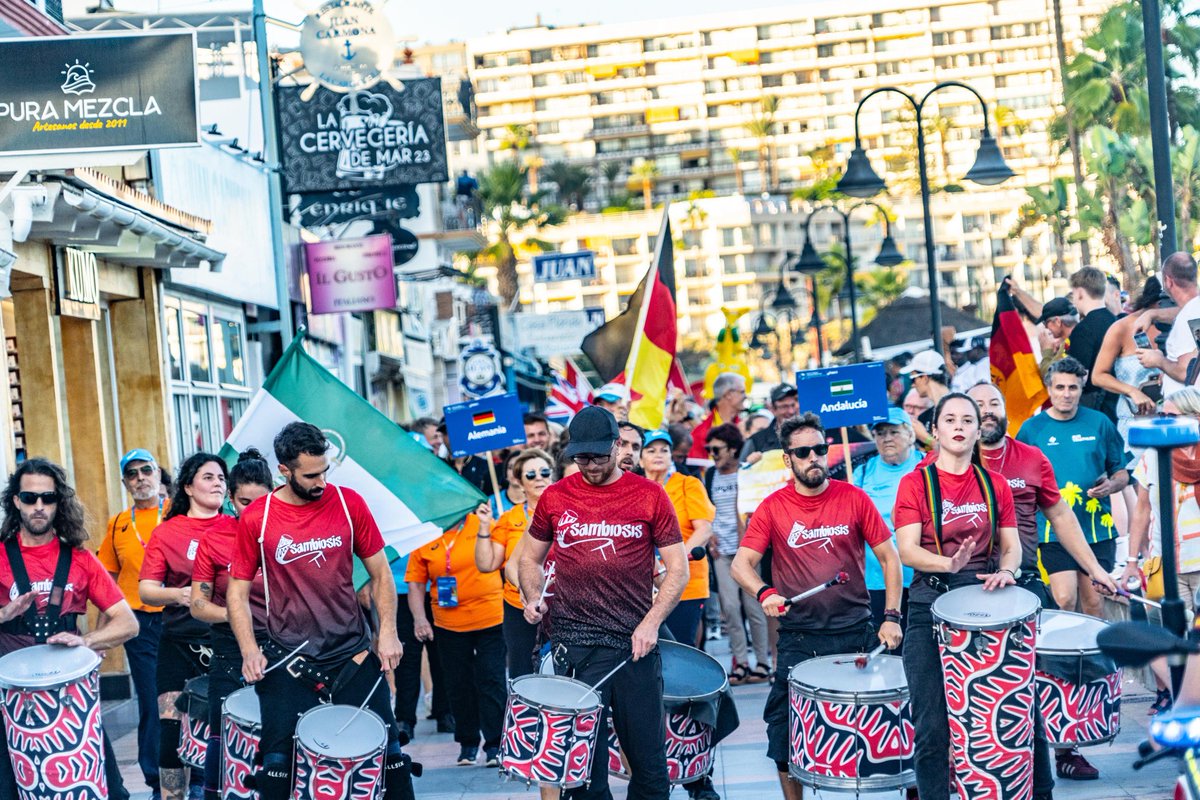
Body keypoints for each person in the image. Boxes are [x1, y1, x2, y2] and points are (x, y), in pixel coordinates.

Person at [227, 422, 410, 800]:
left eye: (325, 470)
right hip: (288, 658)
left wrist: (387, 631)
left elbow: (380, 575)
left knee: (390, 757)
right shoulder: (256, 519)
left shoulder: (348, 503)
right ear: (284, 471)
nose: (321, 481)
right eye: (310, 475)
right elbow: (237, 592)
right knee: (277, 766)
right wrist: (249, 650)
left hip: (353, 653)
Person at [731, 413, 904, 800]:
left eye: (820, 449)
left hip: (856, 631)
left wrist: (891, 617)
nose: (815, 458)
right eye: (804, 451)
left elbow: (891, 559)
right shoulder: (773, 507)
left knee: (885, 723)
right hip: (799, 638)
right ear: (787, 459)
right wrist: (764, 593)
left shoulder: (854, 497)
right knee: (784, 729)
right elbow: (740, 565)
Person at [519, 406, 688, 800]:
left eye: (597, 456)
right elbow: (529, 558)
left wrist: (651, 623)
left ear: (617, 446)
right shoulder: (556, 497)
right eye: (581, 458)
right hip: (573, 647)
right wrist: (533, 596)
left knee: (649, 770)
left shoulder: (650, 495)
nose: (590, 465)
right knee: (583, 776)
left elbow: (678, 571)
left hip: (634, 648)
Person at [968, 381, 1119, 780]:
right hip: (966, 588)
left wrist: (1096, 569)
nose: (987, 411)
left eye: (993, 403)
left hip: (1026, 581)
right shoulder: (950, 462)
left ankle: (1063, 751)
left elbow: (1062, 518)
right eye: (977, 404)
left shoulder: (1031, 458)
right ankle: (967, 761)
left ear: (1005, 411)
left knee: (1045, 672)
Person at [892, 393, 1032, 800]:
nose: (958, 426)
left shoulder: (996, 484)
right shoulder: (914, 483)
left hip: (985, 607)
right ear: (934, 430)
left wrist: (1007, 570)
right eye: (949, 419)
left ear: (977, 429)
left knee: (1008, 713)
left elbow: (1012, 546)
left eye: (967, 420)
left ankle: (1036, 792)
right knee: (932, 725)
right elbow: (907, 550)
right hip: (928, 608)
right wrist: (946, 563)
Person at [0, 458, 138, 800]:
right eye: (30, 498)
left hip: (71, 699)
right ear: (15, 500)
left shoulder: (80, 559)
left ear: (58, 502)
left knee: (101, 786)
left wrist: (88, 640)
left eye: (47, 498)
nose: (39, 506)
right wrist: (3, 615)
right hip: (10, 697)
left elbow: (128, 623)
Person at [139, 453, 235, 800]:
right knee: (170, 733)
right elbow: (145, 590)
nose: (218, 484)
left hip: (227, 643)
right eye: (208, 477)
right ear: (188, 487)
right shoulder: (167, 532)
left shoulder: (237, 527)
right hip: (178, 643)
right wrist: (179, 594)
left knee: (225, 734)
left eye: (222, 478)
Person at [1016, 357, 1129, 617]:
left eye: (1072, 388)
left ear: (1082, 387)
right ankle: (1063, 654)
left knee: (1093, 602)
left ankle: (1092, 656)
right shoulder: (1031, 429)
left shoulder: (1100, 423)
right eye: (1060, 387)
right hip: (1051, 530)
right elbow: (1019, 478)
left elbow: (1121, 473)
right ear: (1049, 388)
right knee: (1065, 598)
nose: (1066, 394)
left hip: (1096, 528)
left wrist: (1111, 485)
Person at [189, 449, 271, 800]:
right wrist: (235, 617)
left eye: (260, 501)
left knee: (282, 732)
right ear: (229, 500)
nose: (251, 510)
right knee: (224, 735)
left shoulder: (290, 531)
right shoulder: (216, 536)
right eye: (243, 501)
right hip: (228, 647)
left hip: (286, 642)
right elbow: (197, 605)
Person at [407, 502, 505, 767]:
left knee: (492, 680)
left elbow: (504, 561)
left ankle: (496, 744)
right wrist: (419, 619)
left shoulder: (482, 523)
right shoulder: (424, 537)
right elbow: (416, 585)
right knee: (458, 685)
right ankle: (468, 744)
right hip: (449, 624)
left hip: (491, 618)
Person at [1124, 388, 1200, 716]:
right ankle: (1184, 702)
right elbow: (1141, 509)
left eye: (1173, 417)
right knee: (1165, 640)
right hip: (1164, 566)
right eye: (1162, 417)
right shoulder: (1154, 456)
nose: (1165, 423)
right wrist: (1130, 561)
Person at [98, 447, 166, 798]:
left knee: (184, 696)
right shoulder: (118, 524)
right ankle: (155, 779)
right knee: (152, 700)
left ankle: (191, 768)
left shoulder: (177, 514)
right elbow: (106, 582)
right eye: (132, 474)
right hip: (139, 623)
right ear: (125, 481)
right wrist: (99, 636)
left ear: (158, 473)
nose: (140, 478)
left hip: (180, 618)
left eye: (146, 470)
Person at [476, 448, 553, 678]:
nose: (539, 477)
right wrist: (483, 526)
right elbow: (489, 564)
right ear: (519, 481)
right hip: (519, 607)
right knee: (523, 672)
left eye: (544, 472)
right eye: (531, 475)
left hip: (562, 606)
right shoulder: (510, 518)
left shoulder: (568, 511)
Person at [705, 423, 770, 684]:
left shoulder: (747, 473)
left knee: (754, 606)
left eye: (717, 449)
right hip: (722, 552)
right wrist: (710, 536)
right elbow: (707, 510)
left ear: (733, 449)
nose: (712, 454)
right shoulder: (710, 475)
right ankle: (741, 663)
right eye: (710, 449)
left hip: (749, 550)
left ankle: (763, 663)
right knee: (730, 609)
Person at [642, 429, 715, 646]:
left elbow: (704, 529)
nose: (658, 455)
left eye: (664, 450)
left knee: (681, 645)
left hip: (686, 581)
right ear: (640, 457)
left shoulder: (688, 484)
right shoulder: (635, 489)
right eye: (651, 450)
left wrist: (671, 562)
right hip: (644, 585)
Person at [853, 408, 922, 628]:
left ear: (910, 435)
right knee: (887, 648)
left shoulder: (928, 466)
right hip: (877, 579)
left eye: (894, 432)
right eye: (880, 433)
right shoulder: (862, 472)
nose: (887, 438)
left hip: (922, 577)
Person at [1093, 277, 1164, 445]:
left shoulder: (1180, 325)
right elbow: (1098, 376)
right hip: (1136, 422)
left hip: (1175, 421)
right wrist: (1132, 391)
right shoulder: (1122, 328)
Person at [1137, 252, 1200, 396]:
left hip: (1187, 408)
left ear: (1168, 281)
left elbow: (1187, 372)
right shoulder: (1193, 309)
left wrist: (1160, 361)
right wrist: (1152, 314)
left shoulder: (1189, 315)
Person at [1066, 267, 1120, 420]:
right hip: (1120, 403)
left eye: (1074, 294)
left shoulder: (1083, 329)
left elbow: (1078, 375)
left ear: (1080, 293)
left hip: (1096, 410)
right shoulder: (1116, 322)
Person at [901, 350, 950, 449]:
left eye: (913, 379)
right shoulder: (924, 417)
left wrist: (925, 438)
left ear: (924, 377)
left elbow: (957, 451)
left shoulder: (959, 407)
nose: (912, 384)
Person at [690, 373, 747, 460]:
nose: (745, 396)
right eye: (742, 392)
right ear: (728, 395)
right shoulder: (699, 434)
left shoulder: (746, 428)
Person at [740, 383, 799, 463]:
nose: (791, 411)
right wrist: (750, 463)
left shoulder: (811, 434)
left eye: (793, 405)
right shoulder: (756, 441)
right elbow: (742, 470)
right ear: (773, 409)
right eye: (784, 407)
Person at [1036, 297, 1079, 375]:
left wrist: (1046, 350)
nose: (1046, 328)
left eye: (1046, 323)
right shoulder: (1078, 334)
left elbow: (1049, 374)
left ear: (1057, 321)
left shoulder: (1072, 341)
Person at [490, 452, 525, 517]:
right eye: (510, 467)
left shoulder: (537, 501)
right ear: (505, 472)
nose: (515, 472)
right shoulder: (493, 501)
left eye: (520, 467)